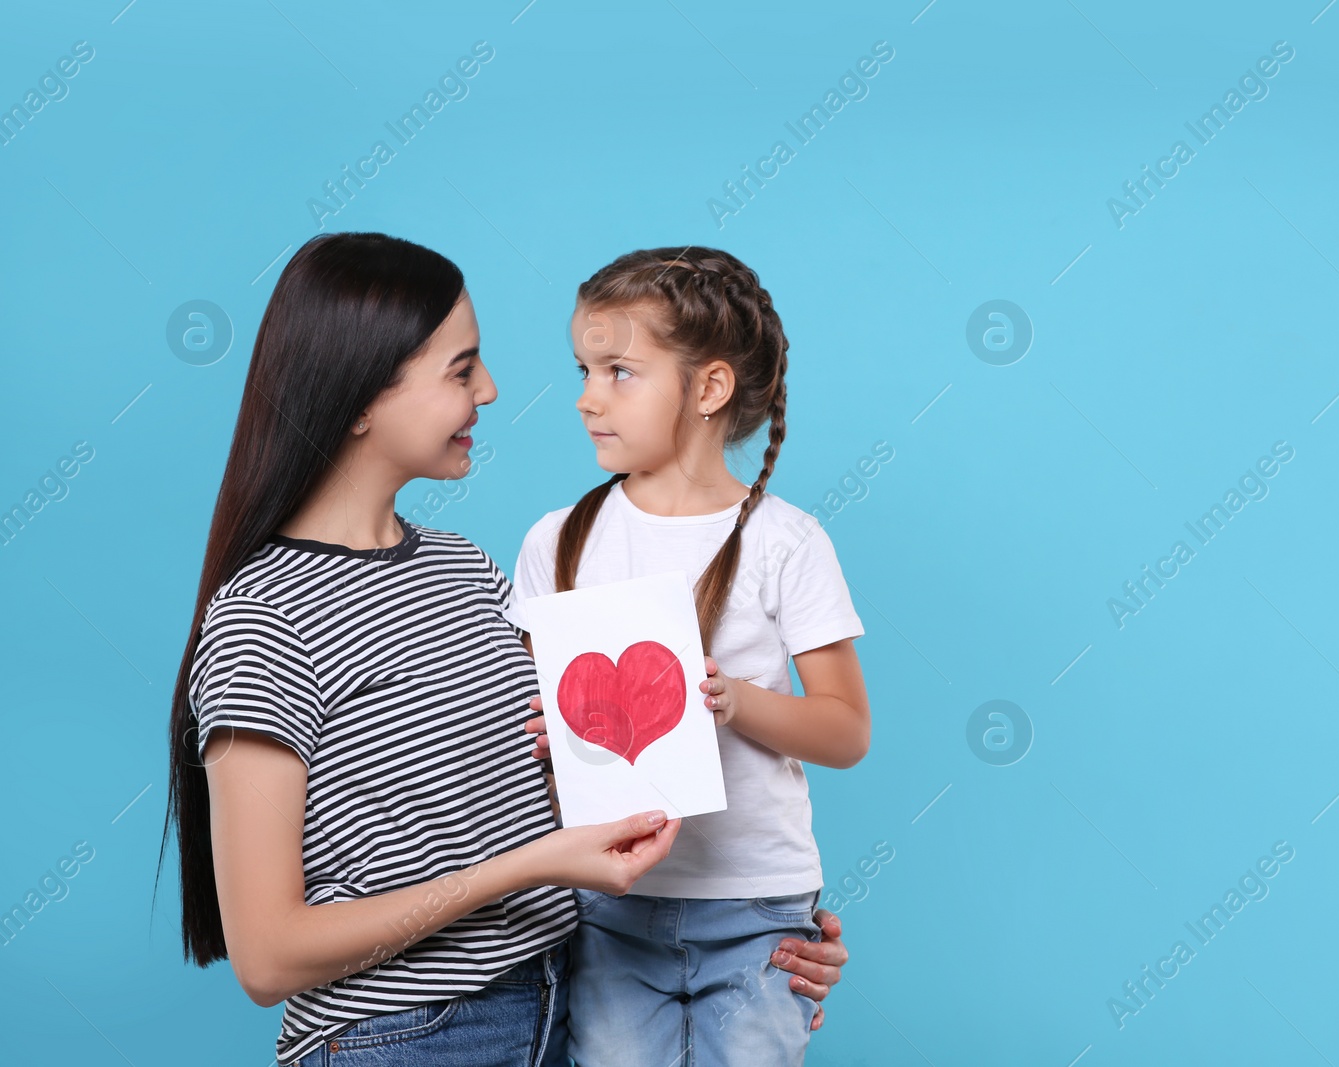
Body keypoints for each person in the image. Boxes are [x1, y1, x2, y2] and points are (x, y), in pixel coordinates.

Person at [160, 232, 850, 1067]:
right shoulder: (264, 618)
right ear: (359, 397)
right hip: (406, 1043)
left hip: (562, 1001)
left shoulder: (466, 570)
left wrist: (757, 942)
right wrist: (533, 867)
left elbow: (571, 778)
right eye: (461, 370)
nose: (489, 389)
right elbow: (268, 958)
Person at [509, 246, 872, 1067]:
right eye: (584, 369)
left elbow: (847, 729)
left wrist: (734, 700)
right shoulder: (556, 541)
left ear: (709, 388)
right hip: (608, 902)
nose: (586, 397)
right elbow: (522, 723)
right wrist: (545, 737)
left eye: (619, 372)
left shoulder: (786, 542)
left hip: (754, 905)